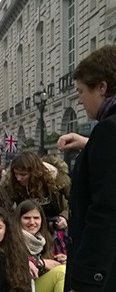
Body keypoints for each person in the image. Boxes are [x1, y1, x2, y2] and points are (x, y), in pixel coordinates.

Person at [64, 45, 116, 291]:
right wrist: (90, 143)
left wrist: (85, 276)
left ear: (102, 87)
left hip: (101, 273)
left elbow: (106, 210)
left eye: (82, 91)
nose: (80, 99)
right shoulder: (104, 135)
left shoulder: (108, 130)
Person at [4, 151, 70, 231]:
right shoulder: (11, 183)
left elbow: (74, 200)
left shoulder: (57, 180)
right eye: (16, 174)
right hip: (26, 229)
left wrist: (64, 216)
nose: (18, 178)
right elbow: (5, 206)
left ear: (35, 173)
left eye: (23, 175)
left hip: (54, 226)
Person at [16, 200, 65, 292]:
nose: (32, 222)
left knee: (64, 270)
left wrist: (59, 260)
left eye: (36, 218)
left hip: (38, 284)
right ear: (18, 220)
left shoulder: (44, 239)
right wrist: (41, 263)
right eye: (26, 218)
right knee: (61, 272)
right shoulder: (12, 239)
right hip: (20, 287)